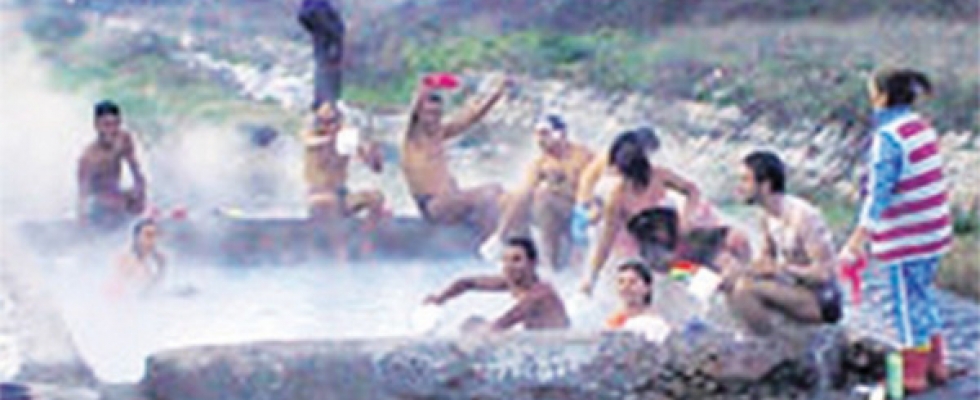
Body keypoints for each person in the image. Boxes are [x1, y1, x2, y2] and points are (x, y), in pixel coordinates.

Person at [839, 69, 952, 393]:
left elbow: (878, 195)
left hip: (908, 237)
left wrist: (857, 241)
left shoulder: (888, 138)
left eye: (872, 93)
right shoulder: (920, 127)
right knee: (922, 295)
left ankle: (913, 374)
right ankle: (937, 364)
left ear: (883, 97)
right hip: (934, 231)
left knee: (905, 305)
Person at [579, 132, 749, 295]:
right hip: (658, 253)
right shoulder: (616, 198)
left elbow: (691, 190)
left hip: (678, 231)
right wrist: (591, 277)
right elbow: (606, 241)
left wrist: (686, 217)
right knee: (697, 276)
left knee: (735, 240)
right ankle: (716, 292)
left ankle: (748, 277)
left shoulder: (659, 174)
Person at [727, 150, 842, 336]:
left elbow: (824, 274)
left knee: (745, 290)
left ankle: (769, 344)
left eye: (745, 180)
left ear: (765, 185)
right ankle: (752, 334)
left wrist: (782, 269)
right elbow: (766, 259)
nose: (739, 187)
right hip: (793, 288)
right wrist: (744, 266)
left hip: (822, 300)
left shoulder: (804, 217)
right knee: (729, 280)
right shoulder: (767, 216)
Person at [401, 74, 512, 242]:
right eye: (429, 113)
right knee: (489, 193)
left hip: (450, 200)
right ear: (420, 114)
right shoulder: (413, 137)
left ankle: (489, 239)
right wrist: (428, 85)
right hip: (433, 205)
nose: (434, 118)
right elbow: (414, 109)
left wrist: (497, 93)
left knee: (499, 194)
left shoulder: (439, 133)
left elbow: (472, 118)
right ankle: (492, 244)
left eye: (437, 114)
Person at [484, 114, 595, 270]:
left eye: (544, 134)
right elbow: (525, 192)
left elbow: (592, 192)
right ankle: (504, 241)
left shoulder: (583, 156)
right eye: (537, 135)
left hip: (585, 212)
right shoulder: (540, 163)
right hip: (560, 211)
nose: (540, 140)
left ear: (560, 135)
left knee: (543, 198)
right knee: (512, 199)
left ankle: (550, 261)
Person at [423, 236, 570, 333]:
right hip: (538, 341)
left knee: (474, 327)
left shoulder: (540, 294)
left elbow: (503, 323)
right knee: (471, 324)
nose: (509, 266)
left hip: (557, 348)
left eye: (516, 260)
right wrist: (439, 298)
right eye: (505, 260)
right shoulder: (513, 281)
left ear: (533, 263)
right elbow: (467, 283)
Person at [303, 102, 386, 262]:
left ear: (339, 121)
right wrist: (334, 138)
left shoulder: (345, 140)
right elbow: (312, 142)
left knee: (376, 198)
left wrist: (372, 153)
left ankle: (365, 242)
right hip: (317, 195)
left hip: (341, 195)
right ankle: (339, 252)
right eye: (322, 122)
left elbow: (375, 167)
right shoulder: (312, 136)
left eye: (332, 121)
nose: (327, 126)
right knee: (328, 201)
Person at [77, 100, 148, 229]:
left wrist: (140, 195)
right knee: (113, 203)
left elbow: (137, 172)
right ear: (96, 125)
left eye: (116, 124)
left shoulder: (123, 139)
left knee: (131, 197)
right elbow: (83, 194)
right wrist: (82, 219)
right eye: (106, 125)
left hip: (117, 194)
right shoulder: (89, 157)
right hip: (98, 203)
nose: (112, 130)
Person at [605, 261, 670, 342]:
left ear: (647, 288)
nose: (625, 287)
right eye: (621, 282)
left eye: (632, 282)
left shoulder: (654, 325)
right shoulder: (613, 321)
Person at [107, 218, 166, 297]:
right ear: (136, 237)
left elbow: (157, 287)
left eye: (155, 235)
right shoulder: (123, 258)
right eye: (148, 235)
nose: (153, 240)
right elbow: (118, 287)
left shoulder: (159, 259)